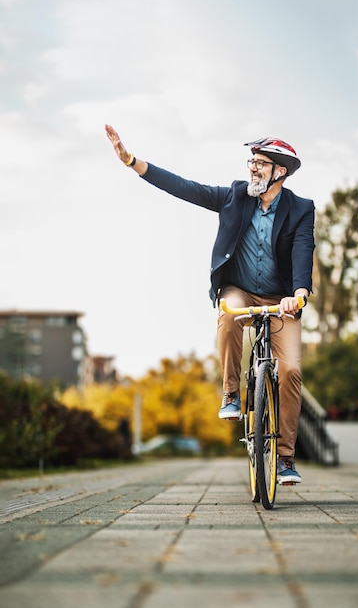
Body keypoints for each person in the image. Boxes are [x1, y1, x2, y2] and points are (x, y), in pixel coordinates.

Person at [105, 125, 315, 484]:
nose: (252, 168)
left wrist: (298, 294)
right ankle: (231, 392)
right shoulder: (235, 196)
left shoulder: (300, 209)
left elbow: (302, 250)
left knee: (291, 370)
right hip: (240, 290)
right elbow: (186, 188)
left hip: (281, 300)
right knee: (229, 312)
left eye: (261, 163)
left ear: (279, 171)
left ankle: (284, 459)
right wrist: (133, 163)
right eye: (251, 161)